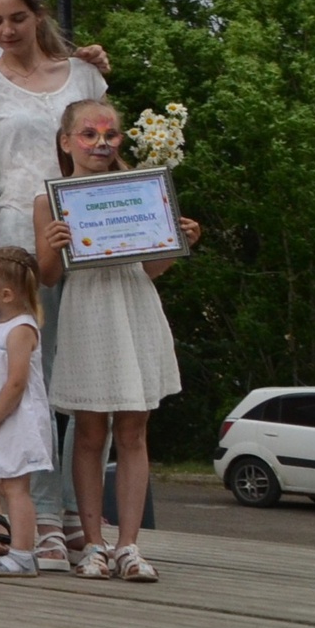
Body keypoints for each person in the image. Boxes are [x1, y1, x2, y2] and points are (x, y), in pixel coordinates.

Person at [0, 0, 109, 568]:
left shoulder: (86, 74)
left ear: (37, 15)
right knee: (32, 372)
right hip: (19, 229)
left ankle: (75, 509)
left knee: (84, 370)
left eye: (17, 17)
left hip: (86, 226)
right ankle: (40, 510)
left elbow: (104, 145)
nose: (7, 29)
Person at [36, 98, 199, 584]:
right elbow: (46, 275)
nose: (101, 143)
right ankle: (92, 544)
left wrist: (178, 242)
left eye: (110, 135)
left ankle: (129, 544)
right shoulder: (51, 200)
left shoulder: (143, 189)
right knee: (88, 432)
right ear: (66, 141)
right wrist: (54, 244)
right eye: (89, 134)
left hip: (134, 309)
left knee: (132, 430)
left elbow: (150, 267)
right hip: (86, 312)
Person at [0, 246, 52, 579]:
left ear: (6, 293)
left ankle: (22, 553)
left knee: (16, 488)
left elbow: (16, 383)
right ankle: (20, 550)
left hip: (16, 421)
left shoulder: (21, 329)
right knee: (6, 484)